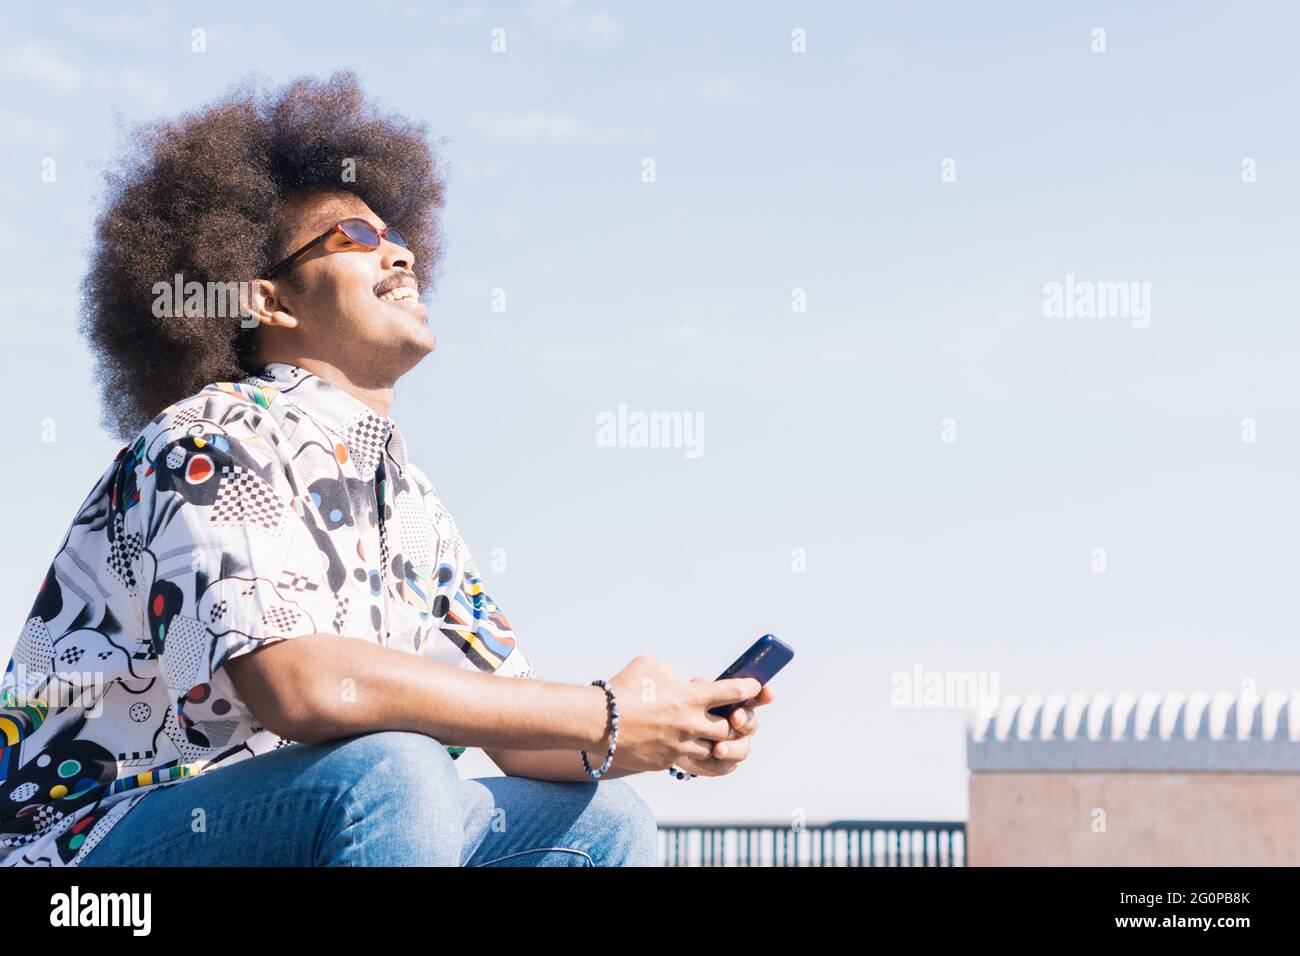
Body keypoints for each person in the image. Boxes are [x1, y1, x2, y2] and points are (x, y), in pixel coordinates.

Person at [0, 71, 773, 867]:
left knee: (606, 819)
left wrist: (658, 723)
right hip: (87, 859)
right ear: (268, 301)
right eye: (354, 238)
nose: (399, 251)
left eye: (397, 236)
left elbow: (524, 742)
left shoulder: (409, 502)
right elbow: (300, 688)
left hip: (300, 820)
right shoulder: (206, 439)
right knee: (394, 772)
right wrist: (597, 714)